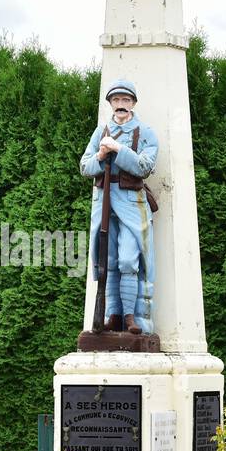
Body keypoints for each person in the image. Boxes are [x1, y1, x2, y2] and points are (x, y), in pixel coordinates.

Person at [79, 79, 158, 335]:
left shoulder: (145, 132)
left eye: (126, 100)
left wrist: (119, 149)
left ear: (133, 103)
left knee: (128, 260)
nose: (121, 105)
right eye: (116, 100)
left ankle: (131, 318)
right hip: (103, 203)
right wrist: (101, 157)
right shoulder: (100, 132)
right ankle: (113, 316)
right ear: (110, 103)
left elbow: (145, 167)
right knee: (108, 261)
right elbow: (84, 166)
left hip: (132, 204)